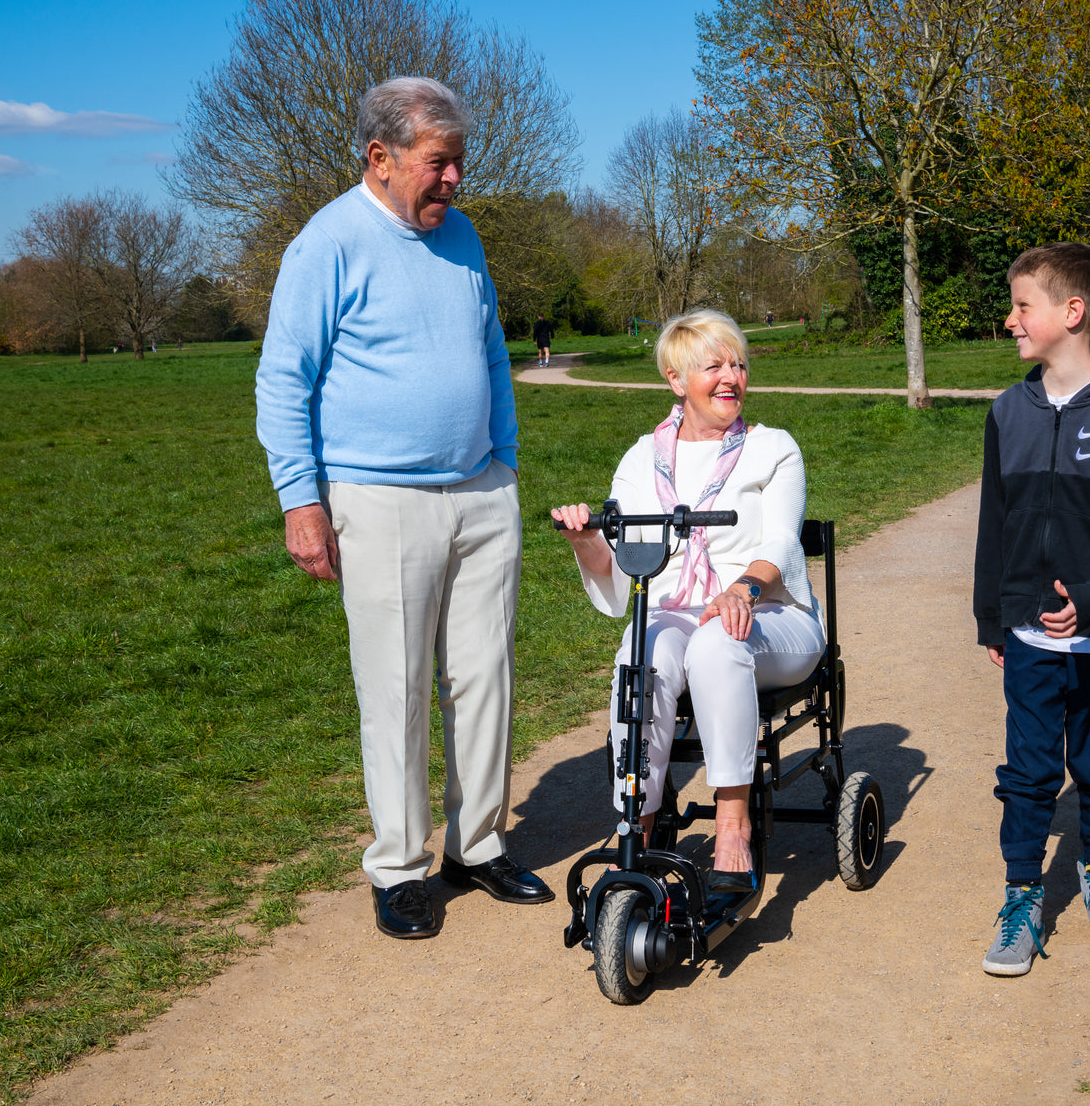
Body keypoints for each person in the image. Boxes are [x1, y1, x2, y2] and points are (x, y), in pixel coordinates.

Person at [255, 76, 552, 941]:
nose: (455, 179)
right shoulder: (327, 244)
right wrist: (299, 500)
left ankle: (479, 841)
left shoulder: (462, 238)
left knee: (485, 678)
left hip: (480, 493)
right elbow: (283, 381)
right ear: (380, 159)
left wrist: (504, 462)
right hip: (377, 499)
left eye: (459, 161)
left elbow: (491, 353)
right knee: (396, 688)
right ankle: (397, 864)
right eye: (439, 162)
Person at [551, 309, 823, 894]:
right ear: (677, 380)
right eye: (714, 366)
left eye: (739, 364)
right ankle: (638, 824)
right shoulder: (641, 459)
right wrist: (585, 539)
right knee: (639, 652)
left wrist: (741, 588)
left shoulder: (772, 448)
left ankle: (732, 825)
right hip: (677, 611)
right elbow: (620, 565)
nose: (732, 377)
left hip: (773, 617)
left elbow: (779, 541)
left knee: (717, 642)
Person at [973, 242, 1090, 976]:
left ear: (1071, 313)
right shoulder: (1007, 413)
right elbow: (995, 521)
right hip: (1028, 633)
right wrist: (994, 615)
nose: (1011, 318)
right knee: (1027, 770)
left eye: (1023, 305)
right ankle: (1021, 896)